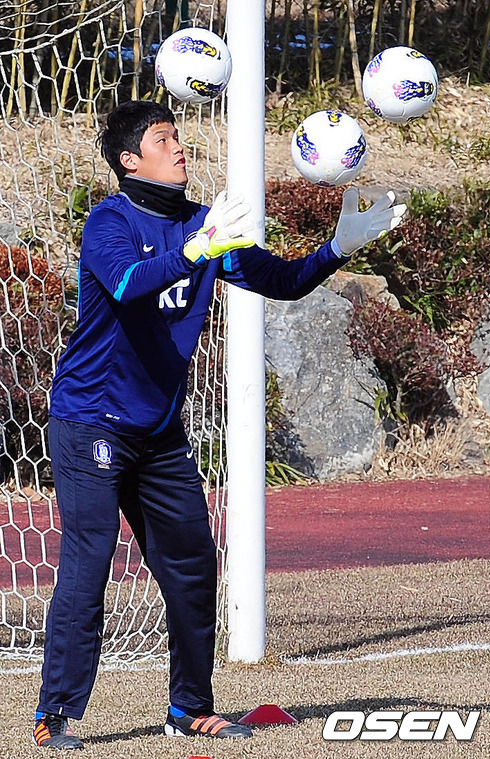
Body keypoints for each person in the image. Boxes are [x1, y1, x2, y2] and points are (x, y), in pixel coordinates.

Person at [33, 99, 406, 750]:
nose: (180, 146)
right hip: (90, 421)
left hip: (157, 431)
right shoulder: (109, 221)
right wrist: (197, 248)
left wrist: (337, 247)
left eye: (178, 134)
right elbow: (127, 282)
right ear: (129, 160)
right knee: (90, 562)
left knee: (192, 566)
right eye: (163, 139)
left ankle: (189, 707)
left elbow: (283, 281)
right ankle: (55, 714)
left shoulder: (207, 224)